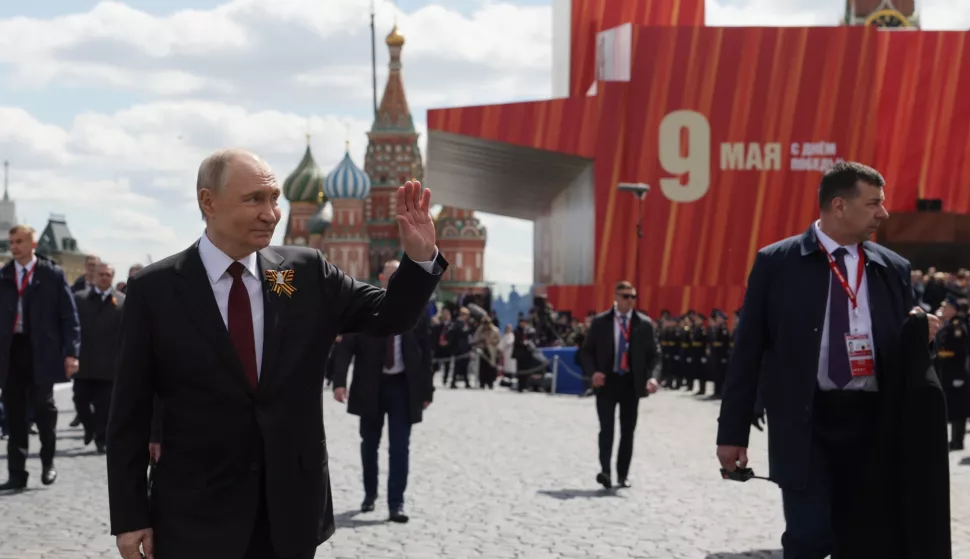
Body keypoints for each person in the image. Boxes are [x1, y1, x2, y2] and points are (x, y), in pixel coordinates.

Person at [106, 149, 446, 559]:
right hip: (194, 512)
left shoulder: (304, 273)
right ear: (207, 202)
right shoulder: (154, 290)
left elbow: (389, 314)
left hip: (289, 511)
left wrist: (420, 258)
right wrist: (129, 515)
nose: (271, 213)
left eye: (274, 198)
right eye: (254, 199)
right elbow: (129, 412)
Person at [716, 161, 941, 558]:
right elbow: (748, 350)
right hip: (806, 424)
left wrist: (924, 335)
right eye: (873, 204)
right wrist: (732, 432)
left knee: (863, 539)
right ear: (839, 205)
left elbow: (911, 359)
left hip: (873, 425)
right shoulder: (777, 263)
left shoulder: (894, 269)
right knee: (808, 537)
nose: (883, 214)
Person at [330, 259, 434, 523]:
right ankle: (369, 494)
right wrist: (339, 380)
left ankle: (396, 503)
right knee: (369, 445)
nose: (397, 281)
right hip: (371, 386)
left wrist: (427, 390)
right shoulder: (365, 308)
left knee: (400, 448)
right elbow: (346, 346)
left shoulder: (417, 311)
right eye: (392, 276)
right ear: (382, 278)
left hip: (402, 387)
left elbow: (426, 353)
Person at [0, 225, 80, 491]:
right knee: (14, 413)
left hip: (42, 352)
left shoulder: (51, 274)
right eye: (11, 242)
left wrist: (71, 352)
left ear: (33, 244)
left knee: (44, 410)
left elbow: (69, 316)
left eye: (19, 241)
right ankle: (16, 472)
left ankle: (48, 463)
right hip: (12, 351)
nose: (14, 246)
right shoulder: (4, 276)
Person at [579, 280, 660, 489]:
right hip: (607, 381)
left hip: (631, 383)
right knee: (607, 428)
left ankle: (623, 475)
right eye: (625, 296)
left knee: (628, 430)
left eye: (633, 296)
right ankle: (605, 471)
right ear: (615, 297)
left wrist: (652, 377)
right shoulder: (600, 322)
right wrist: (593, 372)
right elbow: (586, 352)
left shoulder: (644, 324)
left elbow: (655, 355)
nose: (630, 300)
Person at [73, 262, 125, 454]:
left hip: (109, 366)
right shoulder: (79, 299)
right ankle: (89, 427)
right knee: (80, 401)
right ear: (94, 277)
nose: (104, 277)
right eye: (101, 274)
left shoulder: (122, 302)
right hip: (84, 363)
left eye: (108, 275)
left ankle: (101, 439)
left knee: (105, 407)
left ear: (112, 277)